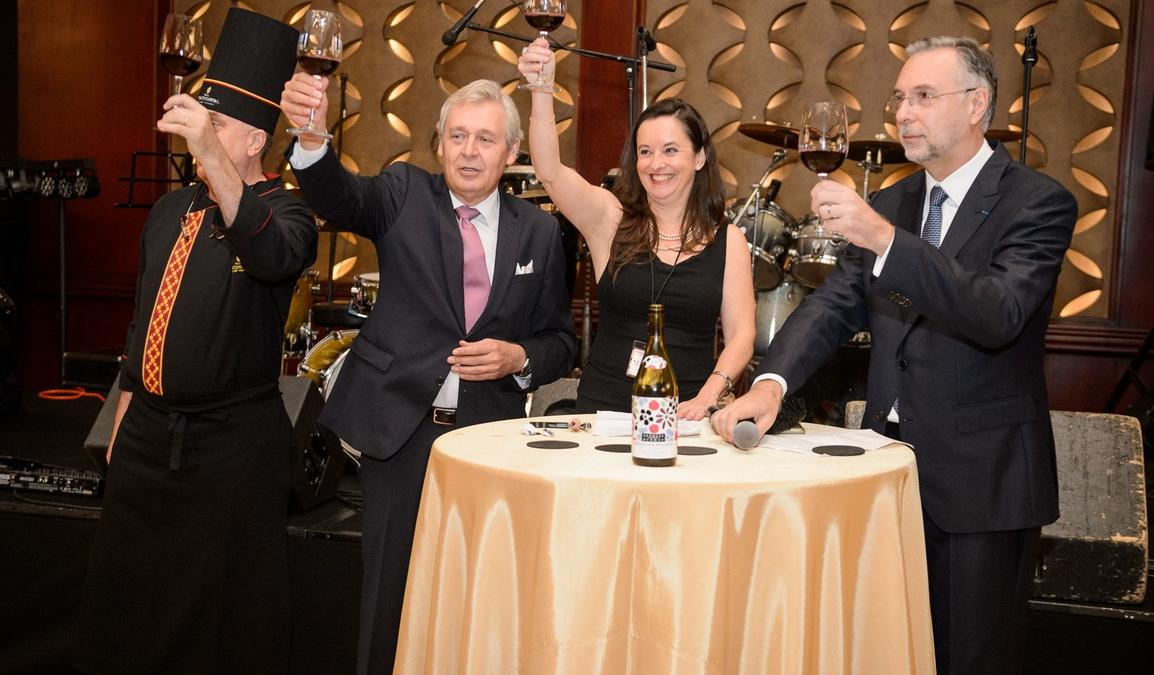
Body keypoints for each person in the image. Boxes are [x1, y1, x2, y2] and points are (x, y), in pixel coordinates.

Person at [712, 36, 1076, 675]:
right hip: (887, 471)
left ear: (976, 104)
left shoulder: (1037, 201)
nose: (904, 113)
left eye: (924, 97)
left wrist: (885, 240)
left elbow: (997, 312)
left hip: (981, 482)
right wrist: (771, 382)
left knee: (970, 659)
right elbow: (834, 306)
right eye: (900, 99)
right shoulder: (894, 200)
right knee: (885, 652)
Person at [280, 76, 577, 675]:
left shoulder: (540, 231)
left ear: (511, 152)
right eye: (457, 136)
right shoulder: (403, 193)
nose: (469, 151)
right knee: (389, 594)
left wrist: (518, 357)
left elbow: (560, 341)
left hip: (487, 437)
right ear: (439, 144)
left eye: (486, 139)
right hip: (402, 432)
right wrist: (311, 141)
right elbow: (341, 198)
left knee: (479, 593)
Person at [74, 9, 316, 675]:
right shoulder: (168, 209)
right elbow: (139, 329)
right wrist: (122, 426)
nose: (201, 135)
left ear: (253, 141)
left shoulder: (288, 214)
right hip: (147, 436)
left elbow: (269, 254)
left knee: (221, 613)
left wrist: (208, 150)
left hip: (230, 447)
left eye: (218, 126)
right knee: (128, 599)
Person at [518, 38, 755, 419]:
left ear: (699, 157)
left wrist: (706, 398)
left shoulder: (729, 240)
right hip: (605, 412)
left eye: (670, 150)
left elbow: (742, 335)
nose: (656, 163)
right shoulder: (610, 219)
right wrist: (541, 90)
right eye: (645, 151)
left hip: (686, 416)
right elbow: (550, 172)